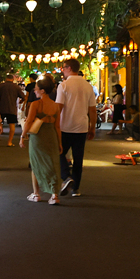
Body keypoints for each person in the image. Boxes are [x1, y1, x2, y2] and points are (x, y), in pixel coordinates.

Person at [56, 59, 96, 197]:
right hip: (82, 127)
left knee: (58, 152)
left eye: (63, 68)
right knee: (78, 158)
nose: (63, 70)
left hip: (65, 126)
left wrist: (54, 124)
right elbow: (92, 110)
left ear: (69, 68)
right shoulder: (88, 86)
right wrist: (92, 127)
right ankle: (75, 188)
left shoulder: (64, 86)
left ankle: (67, 177)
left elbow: (58, 108)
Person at [20, 76, 63, 205]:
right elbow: (58, 126)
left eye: (36, 89)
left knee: (36, 163)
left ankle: (36, 193)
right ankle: (54, 195)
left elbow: (28, 122)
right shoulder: (56, 106)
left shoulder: (36, 104)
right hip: (52, 136)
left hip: (38, 136)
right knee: (53, 164)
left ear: (43, 90)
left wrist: (22, 136)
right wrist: (60, 142)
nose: (34, 91)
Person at [0, 74, 23, 146]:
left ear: (6, 79)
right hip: (12, 109)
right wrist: (21, 101)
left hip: (2, 108)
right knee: (12, 125)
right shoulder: (16, 87)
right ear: (12, 79)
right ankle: (9, 142)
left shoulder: (1, 86)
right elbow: (23, 97)